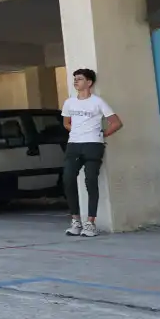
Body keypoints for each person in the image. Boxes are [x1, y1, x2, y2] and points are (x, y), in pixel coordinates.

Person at [62, 68, 122, 237]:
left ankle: (90, 223)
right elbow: (66, 122)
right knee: (68, 179)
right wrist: (76, 131)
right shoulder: (69, 102)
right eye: (75, 79)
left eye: (79, 79)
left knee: (90, 180)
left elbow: (116, 123)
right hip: (74, 145)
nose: (76, 82)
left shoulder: (98, 102)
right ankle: (75, 221)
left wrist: (102, 135)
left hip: (93, 145)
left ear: (89, 83)